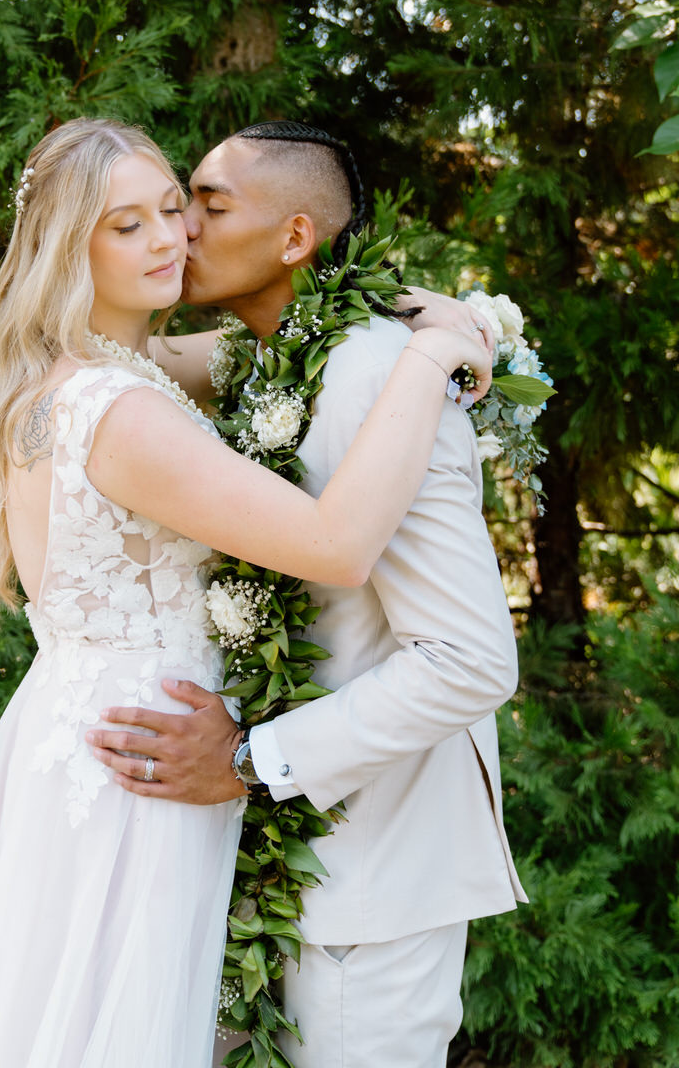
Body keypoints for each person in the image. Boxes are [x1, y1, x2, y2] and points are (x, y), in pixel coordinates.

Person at [0, 118, 493, 1068]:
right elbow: (335, 545)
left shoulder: (95, 374)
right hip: (143, 754)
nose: (169, 240)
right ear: (71, 247)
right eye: (124, 226)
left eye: (176, 210)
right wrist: (437, 354)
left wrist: (395, 314)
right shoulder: (119, 408)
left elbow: (260, 349)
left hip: (96, 734)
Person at [87, 121, 527, 1068]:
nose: (180, 230)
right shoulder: (257, 364)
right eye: (164, 210)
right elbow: (97, 363)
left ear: (294, 239)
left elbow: (473, 659)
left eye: (205, 204)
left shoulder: (378, 372)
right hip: (256, 866)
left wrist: (250, 758)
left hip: (371, 883)